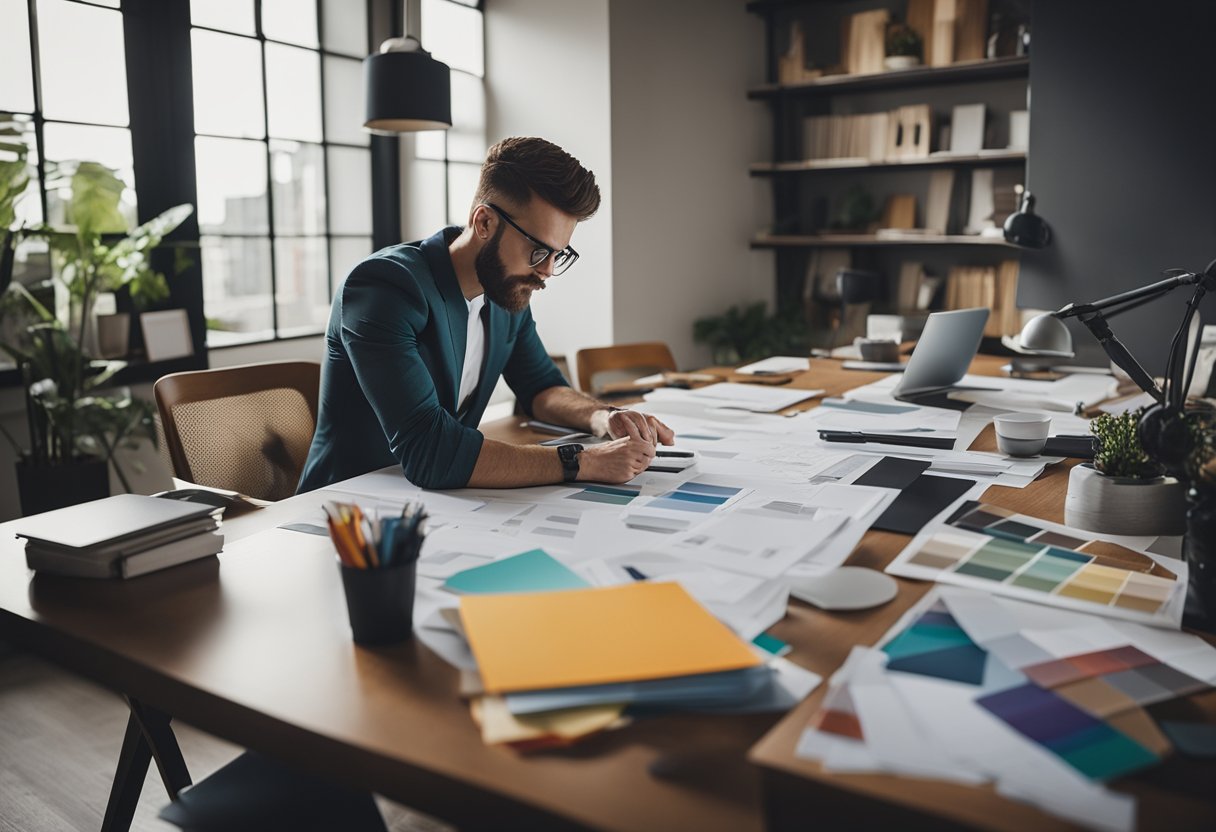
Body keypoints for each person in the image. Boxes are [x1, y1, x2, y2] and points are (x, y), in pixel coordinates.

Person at [298, 137, 675, 493]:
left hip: (442, 502)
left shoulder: (505, 294)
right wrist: (583, 462)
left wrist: (603, 417)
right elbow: (431, 452)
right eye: (539, 250)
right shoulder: (385, 287)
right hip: (345, 509)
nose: (546, 271)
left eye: (559, 254)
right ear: (484, 223)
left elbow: (542, 388)